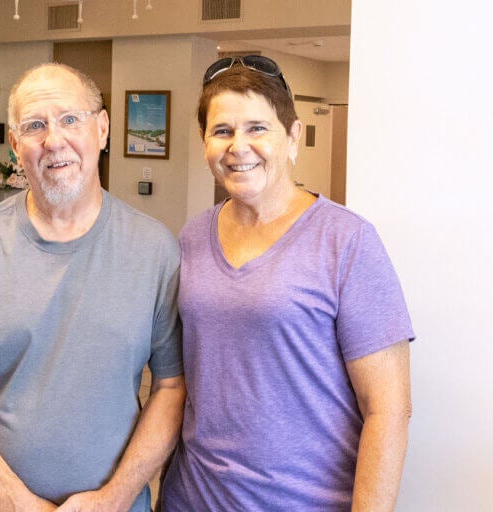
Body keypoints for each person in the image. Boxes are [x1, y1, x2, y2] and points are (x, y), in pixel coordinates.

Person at [0, 63, 186, 512]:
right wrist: (15, 503)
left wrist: (114, 498)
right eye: (35, 126)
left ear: (103, 128)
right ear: (16, 145)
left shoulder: (155, 249)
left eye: (70, 119)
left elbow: (172, 388)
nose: (54, 140)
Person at [160, 56, 414, 511]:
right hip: (192, 499)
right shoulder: (192, 236)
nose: (239, 146)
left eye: (258, 128)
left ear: (293, 137)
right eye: (222, 131)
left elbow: (389, 409)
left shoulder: (347, 241)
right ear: (204, 144)